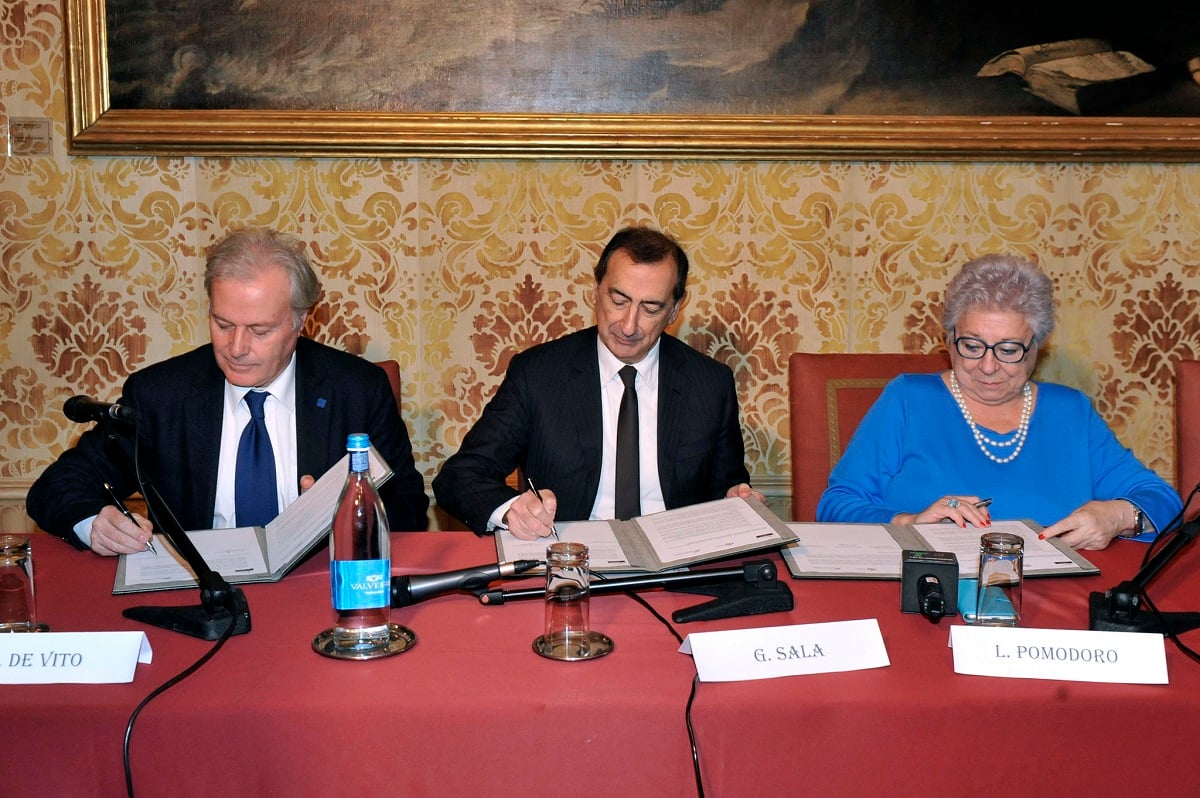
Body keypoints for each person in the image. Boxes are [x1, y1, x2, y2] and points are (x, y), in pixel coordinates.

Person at [27, 228, 429, 555]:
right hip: (200, 595)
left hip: (319, 589)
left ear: (300, 321)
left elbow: (409, 506)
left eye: (259, 330)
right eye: (222, 324)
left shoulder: (356, 390)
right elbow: (59, 486)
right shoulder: (161, 395)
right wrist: (95, 523)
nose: (236, 348)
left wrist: (350, 514)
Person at [816, 253, 1181, 550]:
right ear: (949, 340)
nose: (988, 366)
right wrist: (908, 522)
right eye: (972, 346)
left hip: (1054, 608)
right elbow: (835, 506)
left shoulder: (1070, 412)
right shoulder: (908, 399)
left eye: (1008, 349)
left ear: (1036, 349)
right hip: (929, 594)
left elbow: (1163, 501)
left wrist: (1116, 517)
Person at [433, 225, 760, 539]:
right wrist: (511, 510)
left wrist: (736, 500)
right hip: (570, 564)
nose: (629, 325)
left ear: (674, 310)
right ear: (595, 292)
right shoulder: (539, 374)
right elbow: (460, 476)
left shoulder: (710, 383)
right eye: (618, 301)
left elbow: (727, 485)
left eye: (650, 308)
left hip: (678, 570)